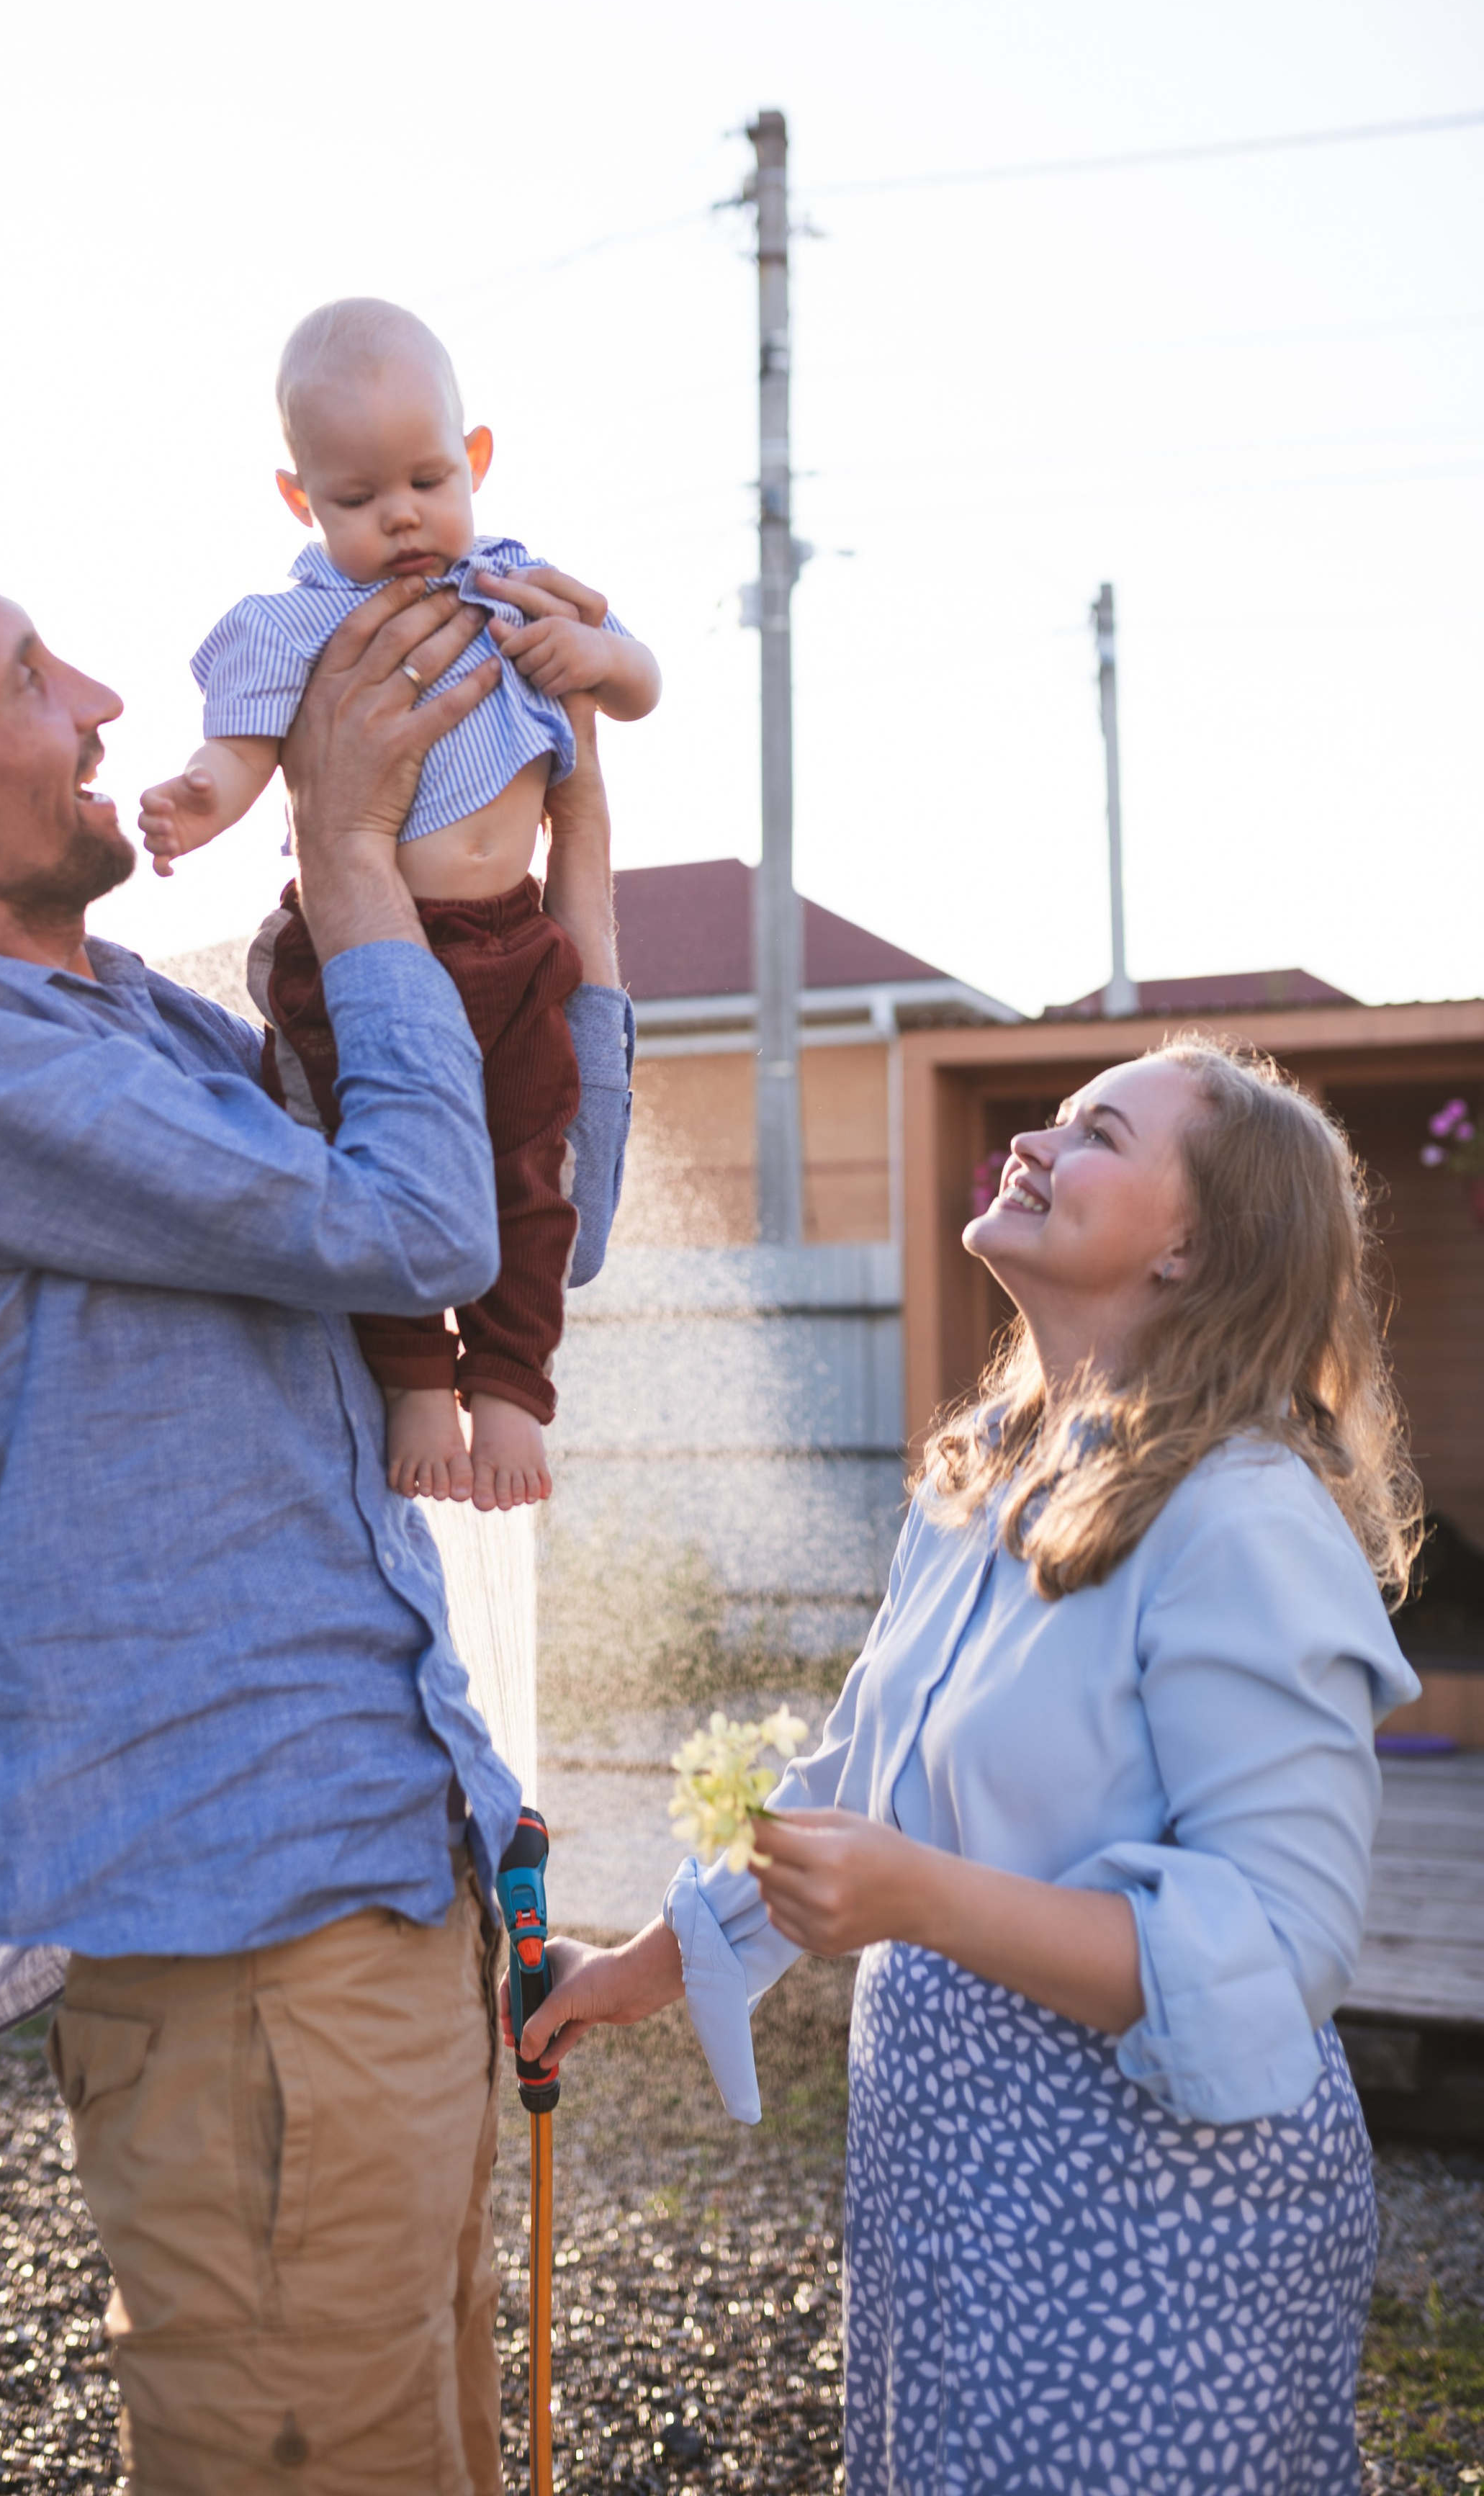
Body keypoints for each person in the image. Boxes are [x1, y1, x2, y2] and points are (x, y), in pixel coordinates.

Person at [0, 538, 635, 2496]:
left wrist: (546, 880)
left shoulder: (156, 1030)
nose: (112, 706)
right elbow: (410, 1223)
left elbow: (524, 1212)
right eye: (31, 677)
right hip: (244, 1932)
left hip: (374, 1876)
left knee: (422, 2449)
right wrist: (359, 855)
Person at [517, 1037, 1421, 2495]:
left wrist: (919, 1902)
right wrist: (637, 1969)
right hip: (953, 2182)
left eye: (1099, 1136)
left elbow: (1278, 1944)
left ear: (1194, 1244)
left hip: (1154, 2225)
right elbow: (856, 1785)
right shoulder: (987, 1475)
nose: (1036, 1146)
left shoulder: (1242, 1516)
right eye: (1052, 1122)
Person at [138, 297, 662, 1514]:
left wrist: (598, 662)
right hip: (367, 950)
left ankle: (516, 1386)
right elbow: (241, 756)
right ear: (299, 501)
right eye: (359, 499)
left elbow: (639, 679)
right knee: (362, 1161)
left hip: (519, 943)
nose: (403, 516)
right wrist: (192, 802)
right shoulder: (300, 625)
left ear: (476, 461)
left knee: (530, 1166)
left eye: (429, 479)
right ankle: (419, 1374)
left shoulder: (521, 588)